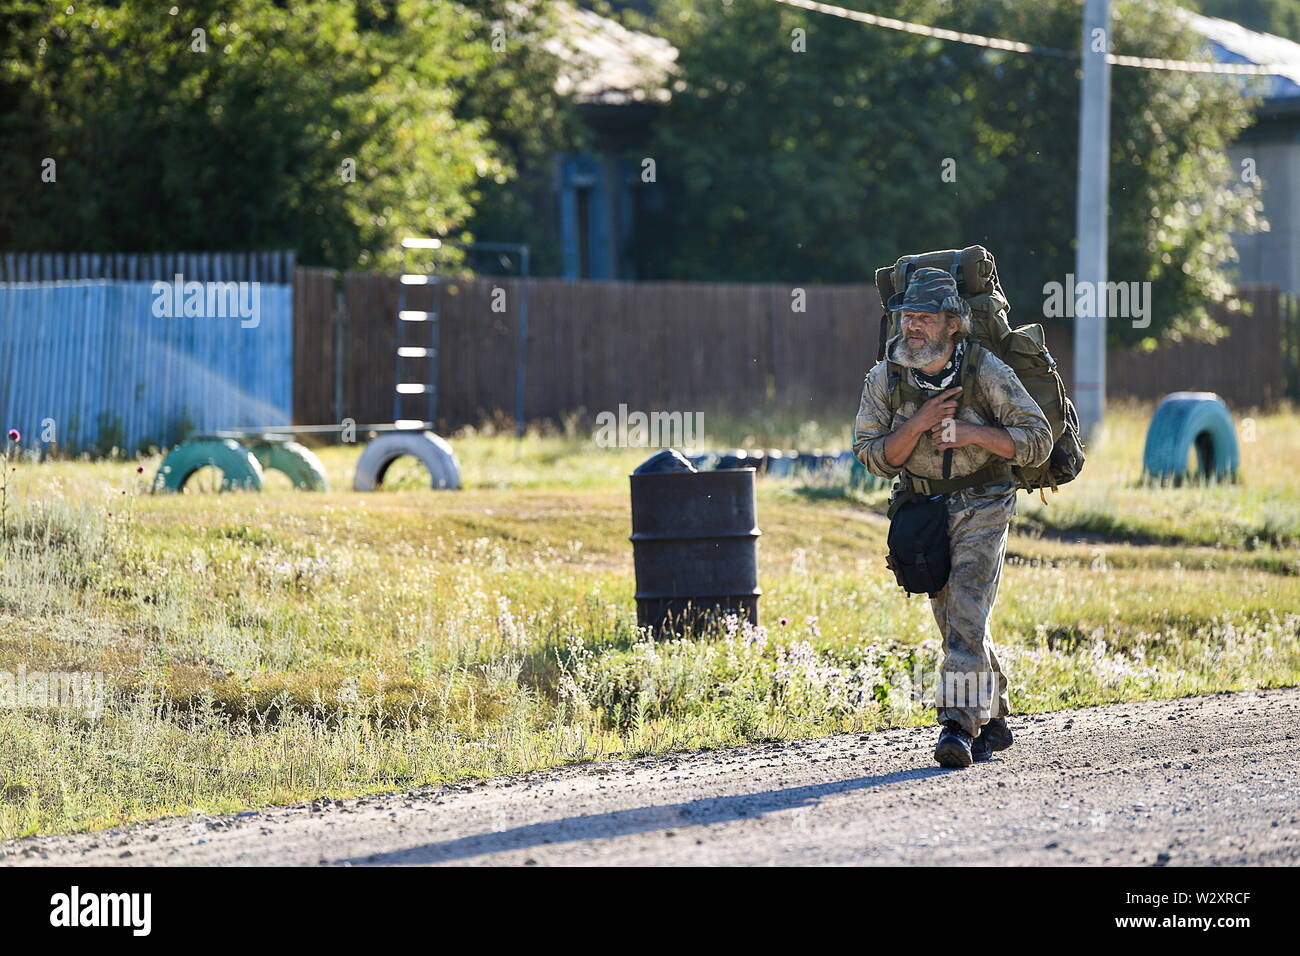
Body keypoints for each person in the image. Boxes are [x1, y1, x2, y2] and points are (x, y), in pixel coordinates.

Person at [853, 267, 1053, 767]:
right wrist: (919, 423)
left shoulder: (986, 372)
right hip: (922, 508)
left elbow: (1037, 440)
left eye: (925, 317)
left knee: (966, 614)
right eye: (907, 316)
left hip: (985, 502)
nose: (912, 326)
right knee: (954, 620)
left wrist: (973, 434)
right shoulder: (886, 378)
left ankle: (956, 727)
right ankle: (998, 720)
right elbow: (871, 454)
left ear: (953, 324)